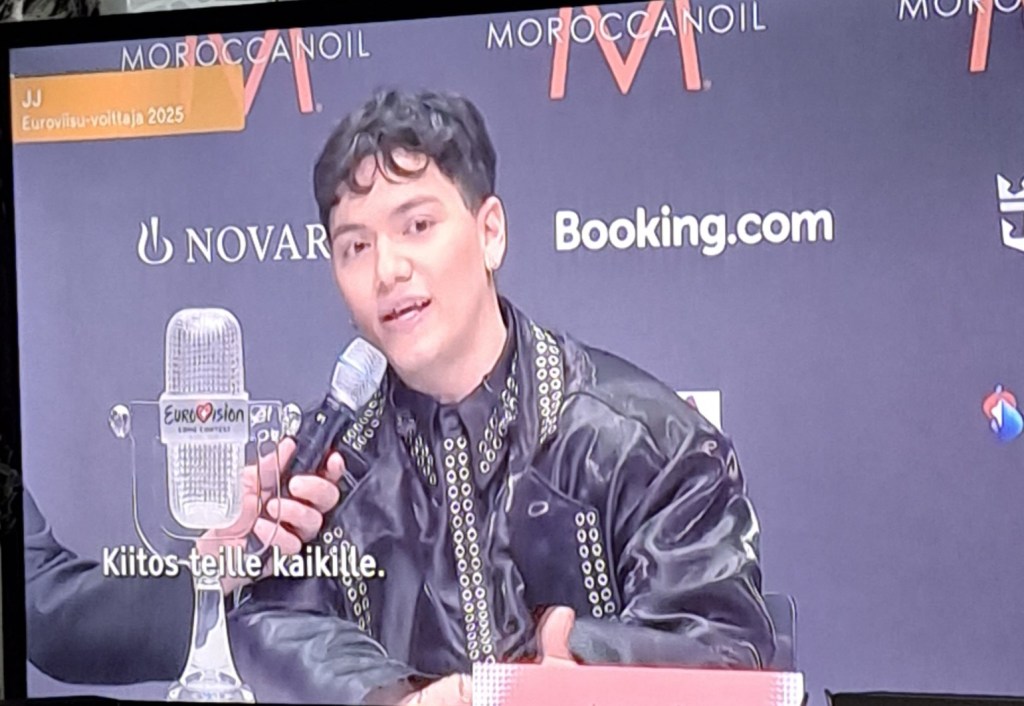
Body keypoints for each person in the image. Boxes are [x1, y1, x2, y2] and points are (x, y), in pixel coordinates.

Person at [226, 88, 777, 706]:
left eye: (417, 226)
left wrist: (575, 671)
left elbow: (724, 648)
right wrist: (393, 697)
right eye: (356, 246)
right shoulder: (327, 469)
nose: (387, 270)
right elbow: (269, 619)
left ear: (490, 233)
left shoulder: (647, 443)